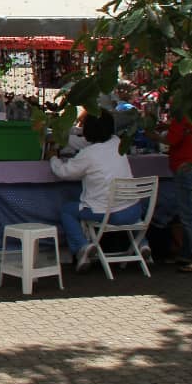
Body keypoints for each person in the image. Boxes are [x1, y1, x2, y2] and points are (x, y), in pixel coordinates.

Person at [46, 109, 140, 271]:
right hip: (133, 210)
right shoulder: (116, 142)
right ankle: (142, 244)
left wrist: (53, 157)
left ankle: (82, 247)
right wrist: (63, 138)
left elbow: (63, 172)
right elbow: (86, 144)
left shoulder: (88, 154)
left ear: (88, 130)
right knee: (124, 206)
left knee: (67, 210)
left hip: (108, 213)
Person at [157, 107, 192, 273]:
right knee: (185, 213)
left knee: (188, 215)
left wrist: (153, 136)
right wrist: (168, 127)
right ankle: (187, 253)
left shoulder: (182, 116)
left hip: (184, 167)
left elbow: (171, 140)